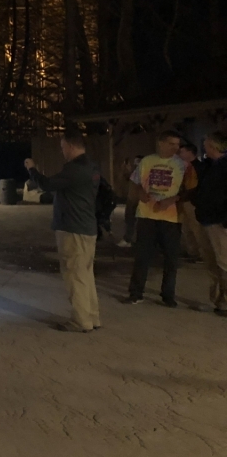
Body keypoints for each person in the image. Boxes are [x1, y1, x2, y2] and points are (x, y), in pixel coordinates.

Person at [25, 129, 101, 332]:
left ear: (70, 145)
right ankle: (92, 317)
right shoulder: (92, 167)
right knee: (86, 274)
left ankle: (80, 320)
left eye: (62, 147)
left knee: (74, 274)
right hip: (87, 226)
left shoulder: (74, 169)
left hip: (72, 228)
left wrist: (32, 169)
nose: (62, 151)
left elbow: (47, 184)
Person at [125, 130, 197, 307]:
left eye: (177, 144)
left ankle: (168, 295)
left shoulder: (184, 166)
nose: (176, 147)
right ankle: (136, 293)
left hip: (171, 218)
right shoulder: (147, 161)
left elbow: (192, 189)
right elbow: (135, 182)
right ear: (161, 143)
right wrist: (141, 192)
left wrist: (174, 199)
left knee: (171, 259)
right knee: (142, 256)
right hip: (146, 215)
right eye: (172, 144)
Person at [191, 131, 227, 314]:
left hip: (219, 221)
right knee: (211, 261)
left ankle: (225, 301)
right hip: (206, 219)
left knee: (224, 262)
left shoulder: (224, 166)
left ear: (213, 146)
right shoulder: (209, 165)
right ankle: (216, 300)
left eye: (206, 144)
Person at [177, 142, 206, 259]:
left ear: (190, 152)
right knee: (186, 228)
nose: (180, 154)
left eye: (182, 151)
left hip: (193, 201)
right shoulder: (187, 166)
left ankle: (200, 253)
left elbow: (195, 187)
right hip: (185, 200)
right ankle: (192, 251)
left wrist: (182, 196)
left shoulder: (197, 167)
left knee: (196, 228)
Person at [116, 155, 143, 248]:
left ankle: (129, 239)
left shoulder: (143, 171)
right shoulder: (134, 172)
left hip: (138, 200)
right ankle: (130, 239)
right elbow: (125, 179)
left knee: (133, 221)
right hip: (132, 199)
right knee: (130, 220)